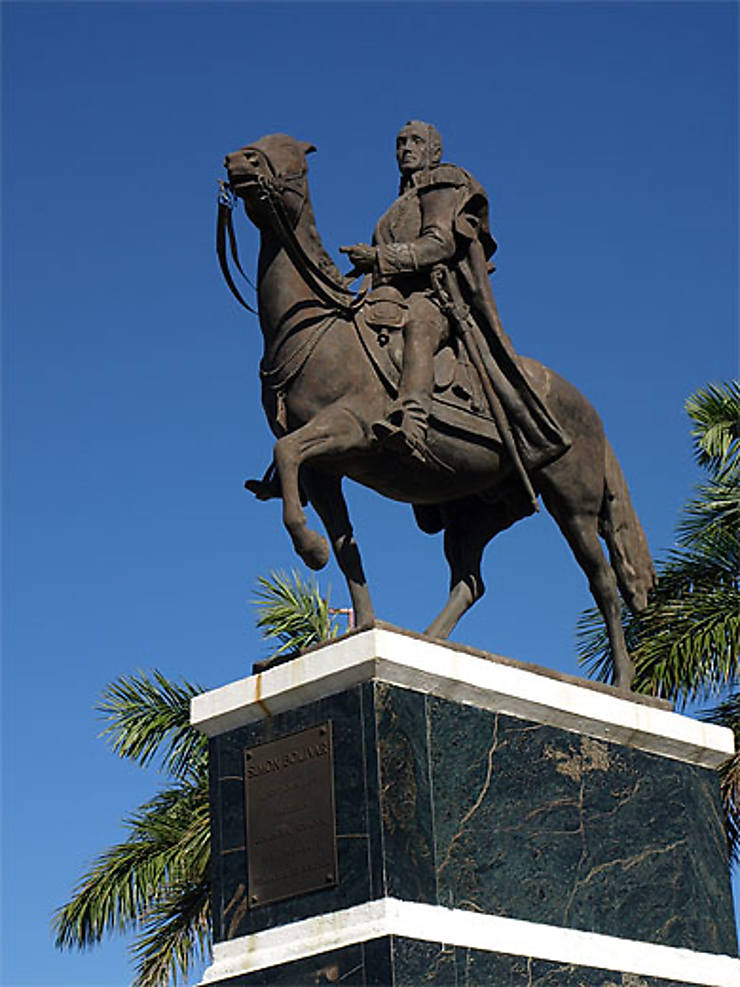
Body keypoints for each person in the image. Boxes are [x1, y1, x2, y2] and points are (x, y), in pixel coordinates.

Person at [341, 120, 569, 479]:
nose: (405, 148)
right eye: (400, 143)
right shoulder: (397, 206)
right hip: (391, 297)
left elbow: (440, 243)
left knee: (419, 322)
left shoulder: (442, 184)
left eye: (415, 141)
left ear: (434, 151)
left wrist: (379, 258)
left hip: (437, 300)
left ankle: (413, 422)